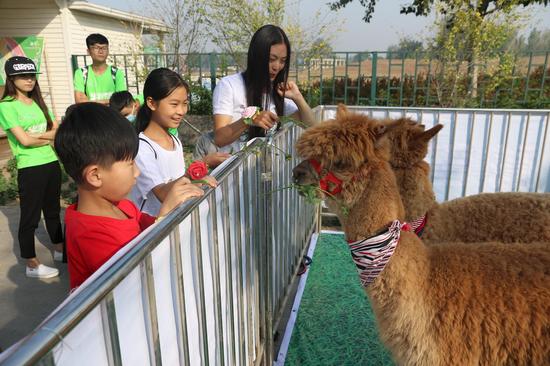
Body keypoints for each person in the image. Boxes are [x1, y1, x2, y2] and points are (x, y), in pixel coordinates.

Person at [54, 103, 205, 289]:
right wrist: (164, 218)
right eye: (130, 164)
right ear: (95, 176)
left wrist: (170, 212)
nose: (137, 172)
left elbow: (142, 222)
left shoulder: (121, 205)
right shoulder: (90, 234)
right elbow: (133, 281)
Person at [0, 56, 63, 278]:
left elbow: (57, 131)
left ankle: (59, 249)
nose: (29, 80)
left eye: (32, 75)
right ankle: (32, 264)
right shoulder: (7, 106)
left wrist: (37, 136)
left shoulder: (38, 101)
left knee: (54, 211)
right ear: (11, 78)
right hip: (30, 167)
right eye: (23, 76)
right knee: (30, 217)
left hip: (51, 163)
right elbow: (24, 141)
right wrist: (45, 137)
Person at [131, 68, 223, 216]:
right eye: (174, 104)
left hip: (174, 220)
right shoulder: (142, 147)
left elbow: (180, 182)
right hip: (154, 227)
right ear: (151, 103)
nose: (181, 111)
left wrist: (196, 181)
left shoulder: (174, 140)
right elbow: (162, 193)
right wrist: (198, 169)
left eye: (185, 103)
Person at [213, 24, 316, 149]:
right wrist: (249, 119)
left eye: (283, 61)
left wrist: (298, 97)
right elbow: (220, 138)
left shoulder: (280, 93)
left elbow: (311, 126)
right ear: (257, 56)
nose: (277, 66)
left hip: (268, 167)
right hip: (238, 167)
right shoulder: (229, 85)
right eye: (271, 59)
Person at [73, 33, 127, 105]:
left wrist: (92, 102)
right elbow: (79, 100)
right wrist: (108, 101)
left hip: (111, 115)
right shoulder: (81, 73)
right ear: (88, 51)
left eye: (104, 48)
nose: (101, 51)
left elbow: (121, 100)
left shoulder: (116, 73)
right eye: (96, 48)